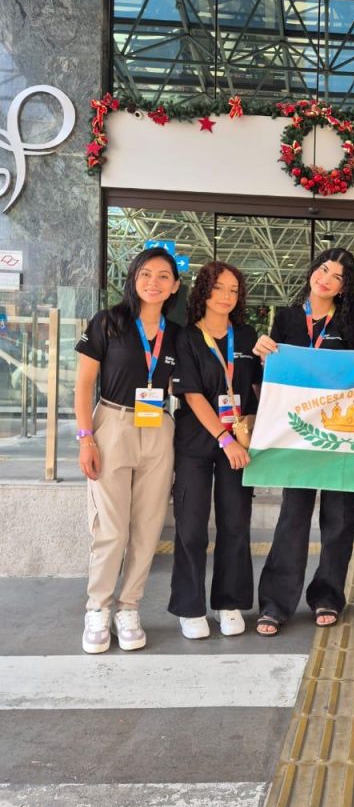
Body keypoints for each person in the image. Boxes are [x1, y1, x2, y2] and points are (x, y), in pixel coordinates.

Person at [253, 248, 354, 635]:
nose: (327, 278)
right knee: (293, 518)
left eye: (337, 276)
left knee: (339, 520)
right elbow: (269, 377)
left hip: (342, 439)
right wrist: (261, 353)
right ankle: (275, 602)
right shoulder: (285, 318)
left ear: (344, 288)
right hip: (298, 437)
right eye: (324, 269)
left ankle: (328, 595)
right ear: (312, 271)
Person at [75, 246, 181, 654]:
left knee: (148, 525)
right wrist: (86, 437)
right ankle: (97, 607)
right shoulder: (108, 323)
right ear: (134, 278)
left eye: (163, 277)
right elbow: (84, 384)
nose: (153, 283)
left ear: (173, 287)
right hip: (113, 424)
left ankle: (129, 606)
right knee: (111, 528)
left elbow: (182, 386)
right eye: (146, 274)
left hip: (157, 429)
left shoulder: (177, 334)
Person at [169, 261, 258, 640]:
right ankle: (190, 608)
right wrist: (225, 440)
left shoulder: (249, 336)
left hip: (239, 444)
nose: (226, 296)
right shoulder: (187, 337)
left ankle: (229, 602)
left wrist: (248, 430)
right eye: (219, 287)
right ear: (204, 291)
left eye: (233, 290)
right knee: (191, 529)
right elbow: (191, 394)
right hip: (197, 444)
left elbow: (256, 391)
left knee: (235, 525)